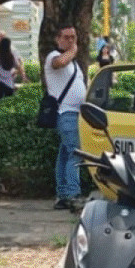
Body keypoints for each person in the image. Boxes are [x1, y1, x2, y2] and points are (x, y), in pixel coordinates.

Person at [45, 26, 88, 211]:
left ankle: (62, 194)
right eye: (66, 37)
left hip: (76, 114)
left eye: (73, 37)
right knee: (74, 153)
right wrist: (72, 51)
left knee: (64, 155)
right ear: (57, 39)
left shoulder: (74, 63)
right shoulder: (53, 57)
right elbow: (59, 63)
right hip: (66, 113)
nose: (70, 41)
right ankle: (72, 194)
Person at [0, 34, 28, 102]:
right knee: (8, 102)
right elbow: (19, 66)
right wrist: (23, 77)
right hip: (10, 86)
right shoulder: (12, 56)